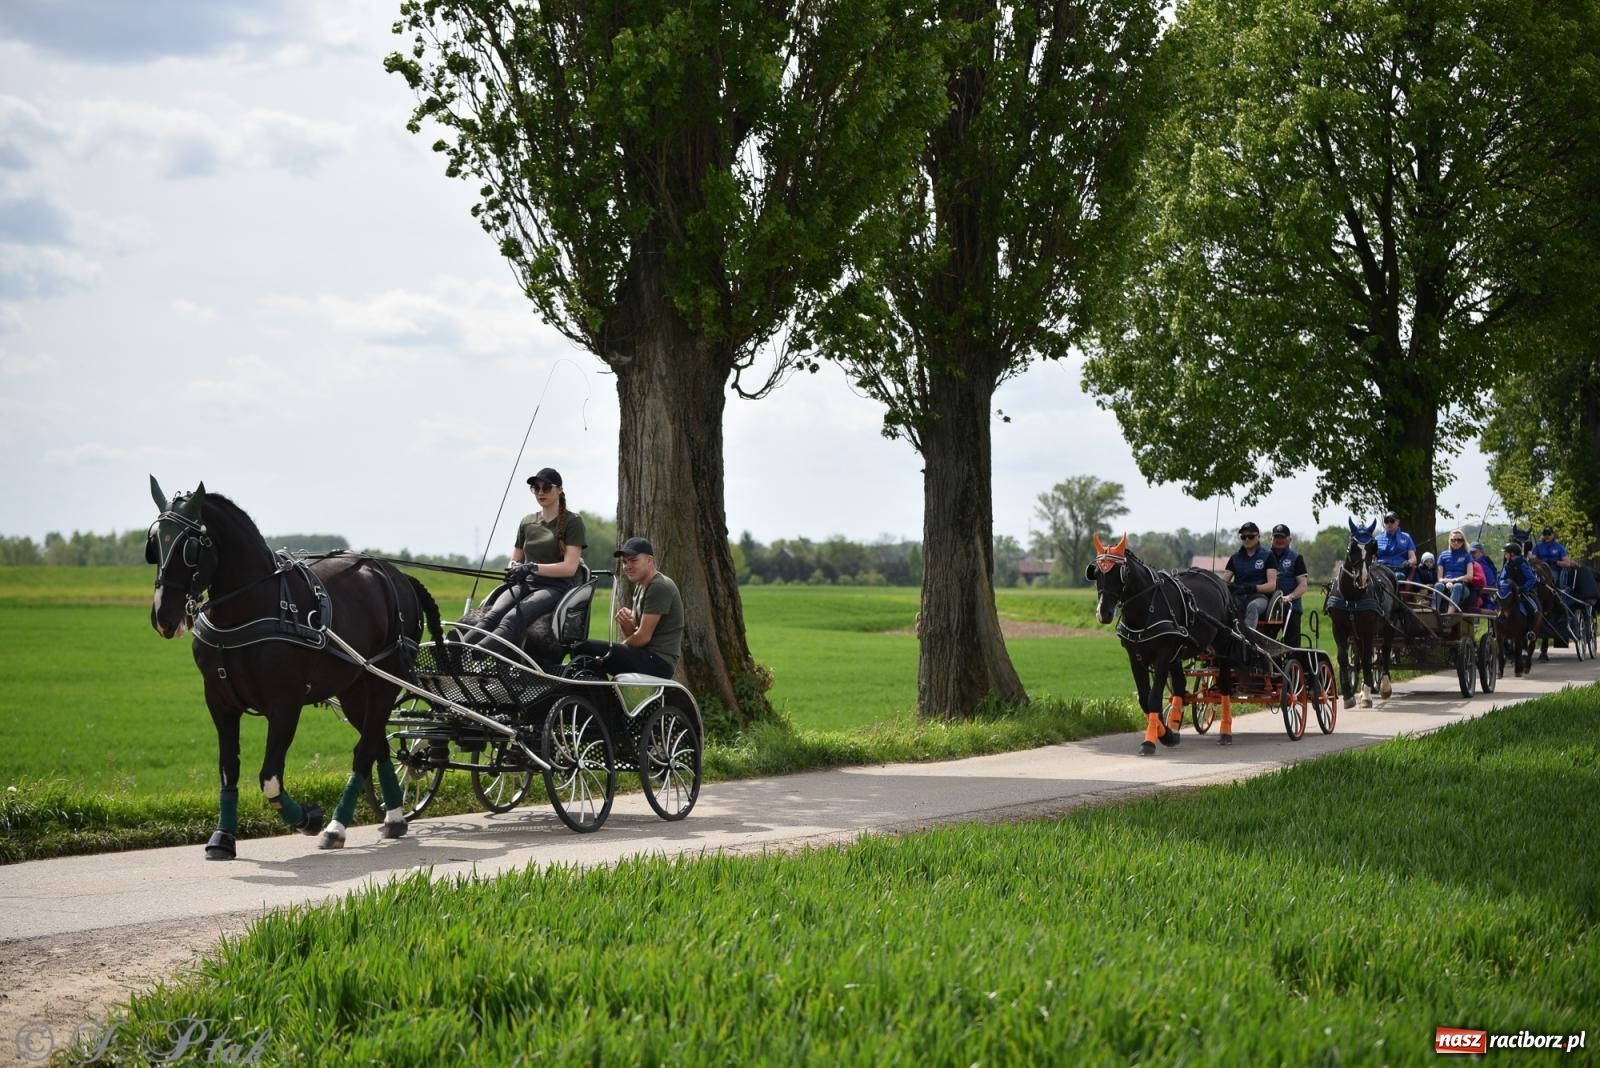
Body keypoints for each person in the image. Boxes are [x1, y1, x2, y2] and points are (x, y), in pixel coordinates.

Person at [465, 467, 588, 653]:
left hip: (553, 588)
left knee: (511, 619)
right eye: (535, 488)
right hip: (525, 583)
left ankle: (477, 654)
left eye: (546, 487)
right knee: (492, 616)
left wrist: (532, 567)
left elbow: (570, 568)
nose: (540, 492)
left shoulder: (573, 522)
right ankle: (453, 652)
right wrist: (514, 569)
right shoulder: (527, 522)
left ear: (560, 490)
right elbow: (514, 560)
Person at [572, 537, 685, 678]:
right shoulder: (641, 586)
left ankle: (603, 697)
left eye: (633, 561)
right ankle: (602, 697)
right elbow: (638, 637)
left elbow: (643, 637)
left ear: (649, 560)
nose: (627, 566)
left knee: (582, 647)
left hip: (658, 662)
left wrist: (619, 647)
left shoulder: (659, 586)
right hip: (645, 655)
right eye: (625, 562)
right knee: (584, 654)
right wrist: (627, 625)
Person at [1224, 522, 1277, 631]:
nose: (1247, 539)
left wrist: (1254, 587)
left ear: (1258, 537)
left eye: (1251, 536)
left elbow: (1272, 585)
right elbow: (1224, 581)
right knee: (1226, 607)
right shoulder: (1235, 558)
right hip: (1238, 596)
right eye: (1243, 537)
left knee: (1252, 607)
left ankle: (1246, 638)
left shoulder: (1268, 556)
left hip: (1259, 597)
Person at [1267, 523, 1308, 645]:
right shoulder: (1264, 556)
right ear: (1271, 539)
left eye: (1282, 537)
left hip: (1291, 607)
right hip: (1269, 608)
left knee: (1292, 644)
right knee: (1265, 643)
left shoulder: (1296, 558)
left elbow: (1303, 585)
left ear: (1289, 539)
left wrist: (1290, 597)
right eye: (1276, 537)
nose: (1279, 540)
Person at [1432, 529, 1475, 613]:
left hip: (1462, 586)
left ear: (1463, 541)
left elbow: (1470, 576)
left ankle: (1449, 615)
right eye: (1453, 540)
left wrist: (1453, 581)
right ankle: (1433, 612)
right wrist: (1446, 582)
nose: (1456, 542)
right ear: (1449, 541)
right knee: (1438, 585)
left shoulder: (1467, 555)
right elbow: (1440, 578)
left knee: (1457, 586)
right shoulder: (1443, 555)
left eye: (1459, 540)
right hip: (1445, 585)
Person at [1374, 511, 1417, 578]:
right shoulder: (1377, 538)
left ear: (1398, 522)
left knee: (1399, 576)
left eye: (1392, 521)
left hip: (1399, 570)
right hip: (1381, 570)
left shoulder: (1406, 537)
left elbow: (1413, 559)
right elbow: (1372, 558)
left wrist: (1408, 562)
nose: (1389, 523)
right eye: (1386, 521)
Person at [1469, 542, 1498, 612]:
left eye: (1474, 552)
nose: (1471, 555)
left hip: (1485, 596)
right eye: (1470, 552)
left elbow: (1491, 583)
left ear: (1481, 552)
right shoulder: (1472, 563)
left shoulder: (1483, 564)